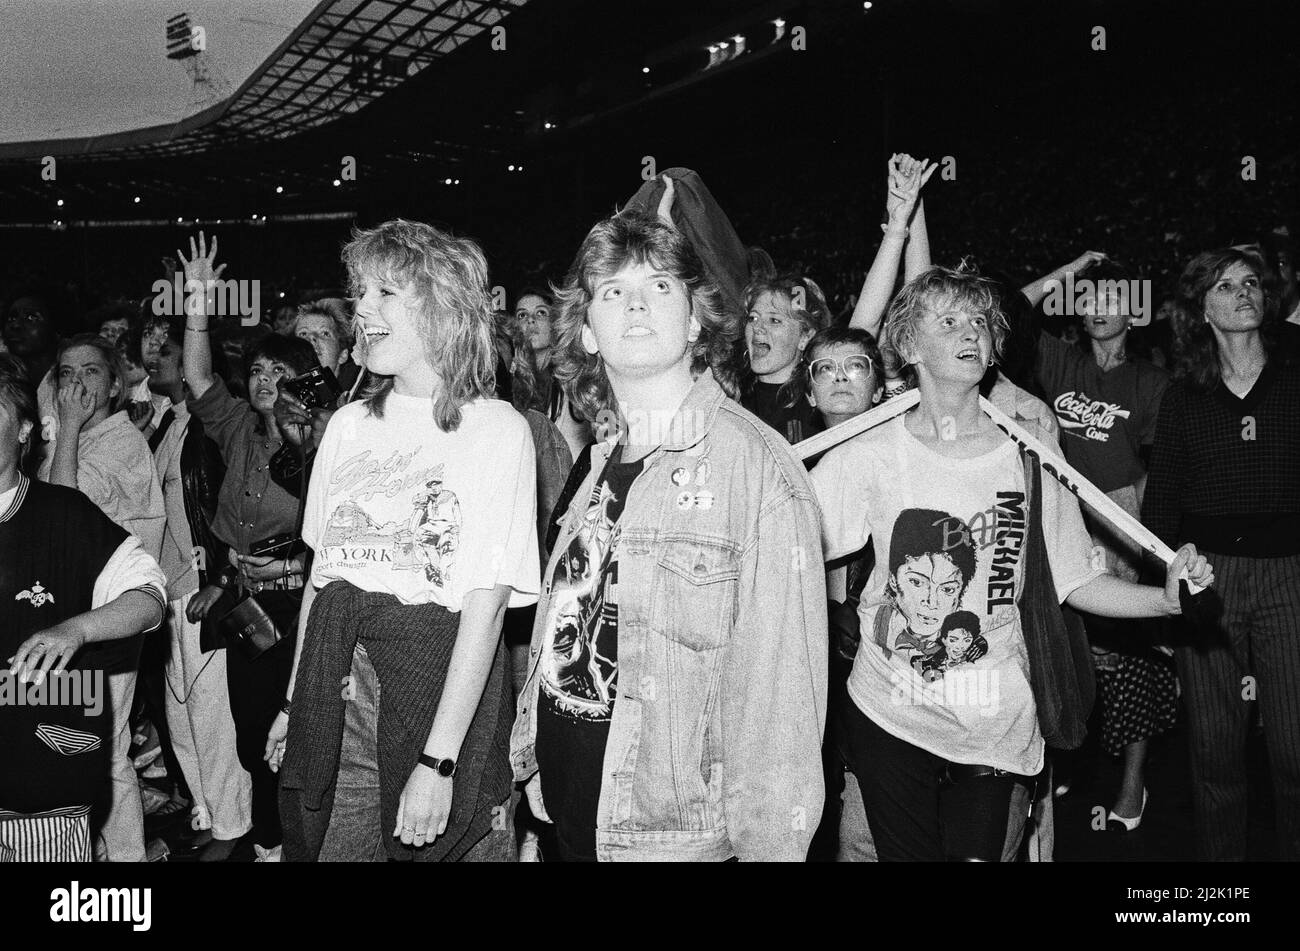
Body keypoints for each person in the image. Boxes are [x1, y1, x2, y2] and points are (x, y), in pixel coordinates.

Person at [811, 265, 1213, 862]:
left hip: (994, 720)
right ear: (910, 346)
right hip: (889, 713)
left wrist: (1167, 599)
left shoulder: (1028, 454)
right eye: (948, 321)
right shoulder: (866, 454)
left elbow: (1078, 580)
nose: (970, 331)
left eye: (978, 320)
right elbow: (793, 556)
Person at [511, 210, 828, 861]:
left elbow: (782, 708)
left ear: (692, 320)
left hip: (666, 837)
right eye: (612, 290)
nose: (633, 304)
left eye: (658, 287)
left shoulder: (757, 467)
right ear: (589, 332)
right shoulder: (601, 457)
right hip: (567, 813)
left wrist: (773, 847)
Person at [269, 219, 539, 863]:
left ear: (444, 308)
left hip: (442, 691)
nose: (361, 309)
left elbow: (487, 607)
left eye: (384, 293)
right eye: (360, 292)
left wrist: (438, 762)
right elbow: (322, 580)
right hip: (340, 689)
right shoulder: (345, 428)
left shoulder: (498, 431)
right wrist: (291, 702)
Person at [1142, 247, 1300, 861]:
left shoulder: (1293, 381)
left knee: (1293, 751)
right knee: (1214, 753)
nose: (1243, 293)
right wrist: (1165, 592)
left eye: (1252, 283)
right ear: (1201, 308)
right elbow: (1160, 509)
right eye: (1226, 285)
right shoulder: (1184, 397)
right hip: (1206, 577)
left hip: (1290, 576)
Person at [178, 232, 318, 854]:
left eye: (280, 372)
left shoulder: (324, 443)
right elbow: (198, 375)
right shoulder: (236, 428)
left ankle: (293, 843)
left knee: (294, 739)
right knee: (248, 738)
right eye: (258, 370)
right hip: (249, 608)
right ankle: (268, 845)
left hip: (303, 607)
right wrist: (200, 302)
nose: (265, 381)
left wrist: (290, 556)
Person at [0, 354, 167, 862]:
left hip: (38, 791)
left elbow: (147, 597)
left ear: (26, 428)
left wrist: (76, 629)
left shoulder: (62, 515)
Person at [146, 321, 253, 860]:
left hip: (203, 585)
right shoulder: (168, 423)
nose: (152, 358)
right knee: (182, 715)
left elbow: (224, 507)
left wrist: (221, 578)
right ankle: (208, 810)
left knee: (212, 716)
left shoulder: (210, 427)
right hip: (169, 590)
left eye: (165, 351)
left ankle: (234, 824)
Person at [740, 273, 830, 444]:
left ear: (805, 337)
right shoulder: (729, 394)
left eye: (774, 320)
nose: (758, 327)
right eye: (753, 317)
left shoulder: (820, 401)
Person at [515, 286, 591, 460]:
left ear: (555, 322)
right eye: (522, 315)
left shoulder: (574, 377)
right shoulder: (512, 384)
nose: (530, 321)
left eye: (541, 313)